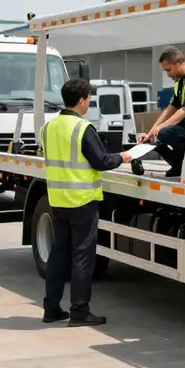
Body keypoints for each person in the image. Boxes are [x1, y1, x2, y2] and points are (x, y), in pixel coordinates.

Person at [39, 78, 132, 327]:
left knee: (58, 256)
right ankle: (79, 312)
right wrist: (122, 156)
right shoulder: (82, 128)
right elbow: (101, 161)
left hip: (58, 200)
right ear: (82, 100)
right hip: (82, 201)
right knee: (82, 258)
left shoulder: (48, 127)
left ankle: (51, 309)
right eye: (89, 99)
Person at [135, 47, 185, 178]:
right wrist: (151, 132)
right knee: (155, 138)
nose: (168, 74)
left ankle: (183, 165)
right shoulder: (180, 81)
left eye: (168, 70)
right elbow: (171, 108)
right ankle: (178, 165)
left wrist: (161, 128)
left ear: (179, 63)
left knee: (164, 133)